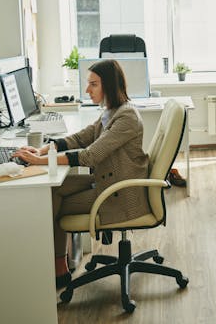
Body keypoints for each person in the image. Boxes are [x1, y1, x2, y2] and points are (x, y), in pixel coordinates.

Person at [13, 59, 150, 288]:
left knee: (52, 204)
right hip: (108, 181)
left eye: (94, 84)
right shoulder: (112, 111)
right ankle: (58, 264)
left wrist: (40, 161)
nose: (87, 90)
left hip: (121, 194)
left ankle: (55, 267)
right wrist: (43, 149)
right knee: (53, 190)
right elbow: (79, 138)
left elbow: (89, 156)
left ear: (110, 85)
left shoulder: (126, 117)